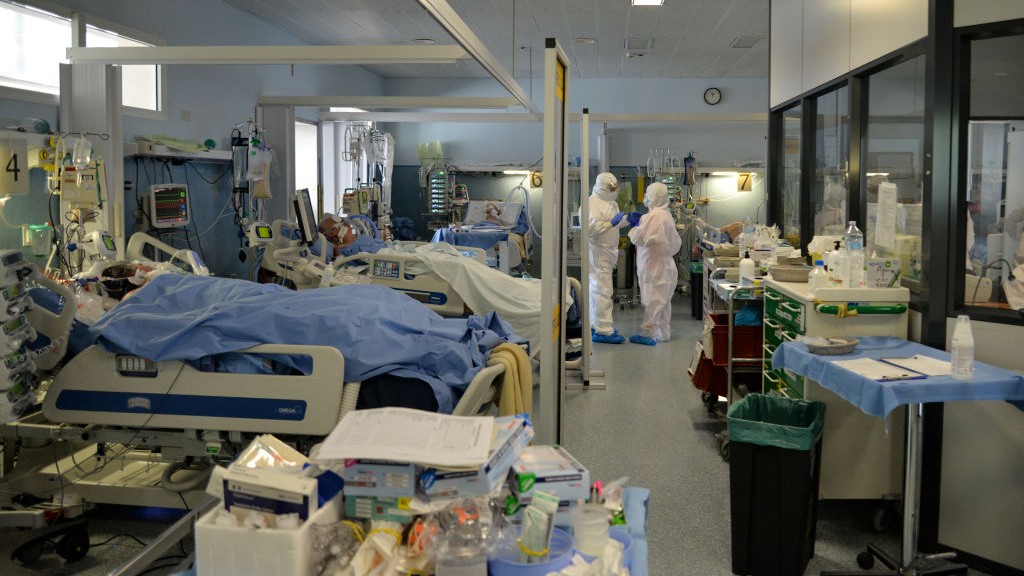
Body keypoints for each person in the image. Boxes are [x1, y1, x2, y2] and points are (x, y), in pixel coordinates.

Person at [627, 182, 682, 345]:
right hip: (666, 265)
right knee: (663, 302)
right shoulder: (666, 215)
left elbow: (640, 238)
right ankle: (663, 333)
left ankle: (648, 333)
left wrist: (635, 227)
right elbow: (676, 244)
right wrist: (642, 222)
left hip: (654, 266)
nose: (646, 197)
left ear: (654, 196)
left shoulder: (654, 216)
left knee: (652, 300)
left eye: (648, 193)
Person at [586, 172, 630, 344]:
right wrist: (610, 223)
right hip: (598, 252)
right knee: (602, 290)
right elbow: (589, 229)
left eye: (615, 188)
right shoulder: (591, 203)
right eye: (610, 188)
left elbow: (615, 223)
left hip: (608, 252)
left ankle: (595, 325)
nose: (614, 191)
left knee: (597, 289)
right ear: (601, 187)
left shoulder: (611, 202)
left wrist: (628, 220)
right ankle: (604, 330)